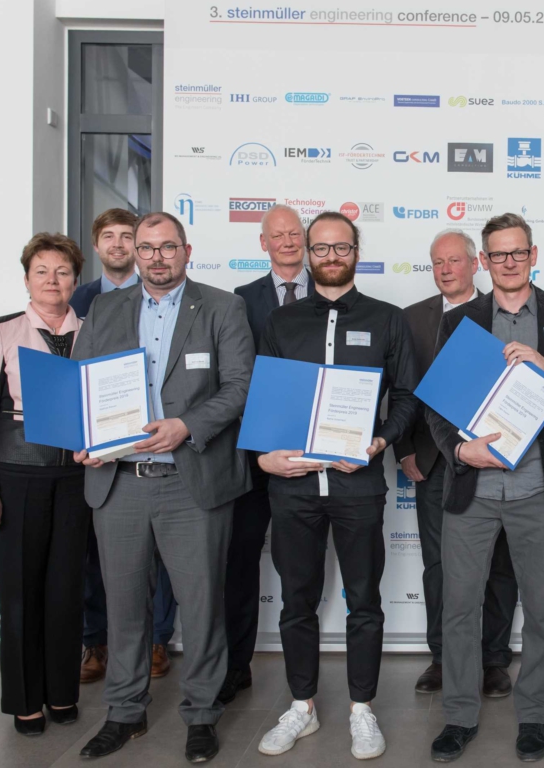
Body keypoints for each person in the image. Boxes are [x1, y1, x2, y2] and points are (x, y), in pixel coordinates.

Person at [427, 213, 544, 763]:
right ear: (483, 261)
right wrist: (459, 451)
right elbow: (437, 405)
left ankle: (532, 716)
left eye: (518, 252)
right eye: (498, 254)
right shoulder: (460, 321)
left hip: (538, 487)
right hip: (473, 491)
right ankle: (459, 716)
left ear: (533, 255)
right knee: (460, 608)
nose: (508, 262)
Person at [72, 212, 254, 763]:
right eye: (147, 247)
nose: (156, 257)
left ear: (186, 251)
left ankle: (201, 715)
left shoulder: (222, 307)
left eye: (167, 247)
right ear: (136, 253)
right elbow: (80, 385)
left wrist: (186, 426)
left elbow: (240, 385)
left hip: (191, 480)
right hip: (118, 482)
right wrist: (81, 437)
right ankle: (124, 712)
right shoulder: (104, 309)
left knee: (201, 607)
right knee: (125, 606)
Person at [254, 211, 418, 761]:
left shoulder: (388, 319)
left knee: (364, 600)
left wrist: (379, 441)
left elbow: (408, 396)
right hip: (294, 487)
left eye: (340, 247)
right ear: (307, 253)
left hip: (358, 486)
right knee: (296, 601)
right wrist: (265, 456)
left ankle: (361, 708)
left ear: (355, 251)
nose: (330, 256)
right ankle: (301, 706)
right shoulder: (281, 321)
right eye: (320, 248)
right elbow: (265, 397)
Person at [0, 232, 89, 736]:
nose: (52, 280)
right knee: (19, 593)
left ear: (75, 280)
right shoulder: (0, 331)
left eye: (62, 271)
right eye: (42, 271)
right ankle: (24, 700)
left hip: (78, 478)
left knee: (66, 591)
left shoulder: (94, 331)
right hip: (16, 476)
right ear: (26, 279)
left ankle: (62, 692)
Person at [396, 228, 518, 698]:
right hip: (431, 460)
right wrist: (404, 447)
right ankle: (443, 657)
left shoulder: (499, 312)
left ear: (475, 263)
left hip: (491, 455)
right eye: (437, 262)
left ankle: (493, 659)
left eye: (454, 261)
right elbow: (400, 389)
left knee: (498, 563)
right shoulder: (411, 318)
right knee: (439, 564)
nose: (445, 270)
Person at [71, 207, 178, 685]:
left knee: (169, 567)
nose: (119, 244)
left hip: (175, 461)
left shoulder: (192, 301)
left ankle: (158, 641)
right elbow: (80, 378)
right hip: (112, 463)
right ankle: (100, 648)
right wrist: (84, 436)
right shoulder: (88, 301)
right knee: (108, 570)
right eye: (109, 236)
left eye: (126, 236)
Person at [220, 204, 317, 704]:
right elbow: (233, 377)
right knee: (240, 562)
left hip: (318, 450)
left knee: (307, 569)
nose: (287, 242)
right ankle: (235, 667)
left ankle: (310, 678)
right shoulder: (239, 300)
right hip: (255, 455)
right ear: (263, 243)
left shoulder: (332, 290)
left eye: (294, 233)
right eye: (277, 235)